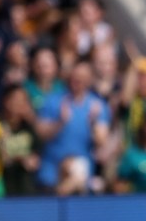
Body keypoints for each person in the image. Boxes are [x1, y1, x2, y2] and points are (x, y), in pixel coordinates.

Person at [35, 59, 109, 195]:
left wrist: (93, 122)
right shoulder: (53, 100)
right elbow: (41, 133)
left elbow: (101, 141)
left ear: (90, 80)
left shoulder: (97, 106)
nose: (77, 81)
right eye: (75, 76)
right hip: (51, 173)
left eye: (82, 78)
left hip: (81, 174)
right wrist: (60, 122)